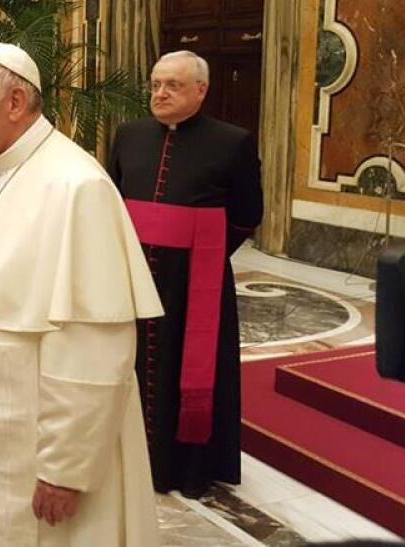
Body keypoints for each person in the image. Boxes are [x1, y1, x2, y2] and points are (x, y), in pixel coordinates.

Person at [0, 44, 163, 546]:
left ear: (15, 101)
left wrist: (66, 468)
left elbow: (95, 349)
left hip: (38, 447)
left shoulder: (77, 186)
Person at [107, 50, 263, 498]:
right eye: (156, 84)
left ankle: (188, 468)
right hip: (131, 274)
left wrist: (201, 251)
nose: (160, 93)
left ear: (201, 90)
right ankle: (127, 455)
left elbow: (248, 213)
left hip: (196, 280)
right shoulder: (129, 134)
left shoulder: (232, 142)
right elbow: (112, 200)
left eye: (173, 85)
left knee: (189, 369)